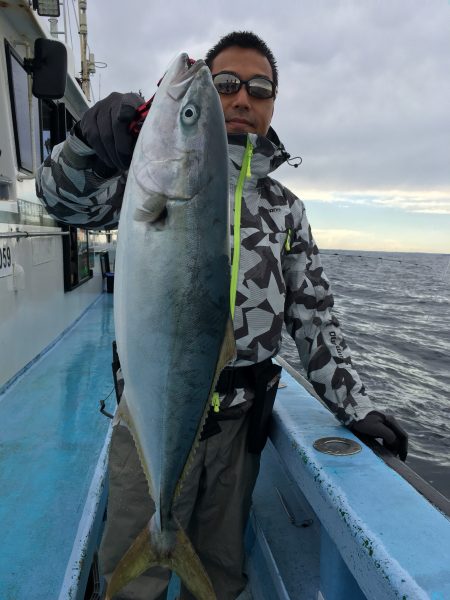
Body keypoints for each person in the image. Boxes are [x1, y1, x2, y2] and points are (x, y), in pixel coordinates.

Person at [36, 31, 408, 600]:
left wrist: (354, 405)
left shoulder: (285, 208)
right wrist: (87, 145)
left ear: (273, 105)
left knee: (221, 574)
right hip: (148, 422)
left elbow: (314, 317)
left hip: (239, 430)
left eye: (260, 89)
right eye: (225, 85)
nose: (241, 99)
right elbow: (61, 200)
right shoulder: (144, 178)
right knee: (130, 583)